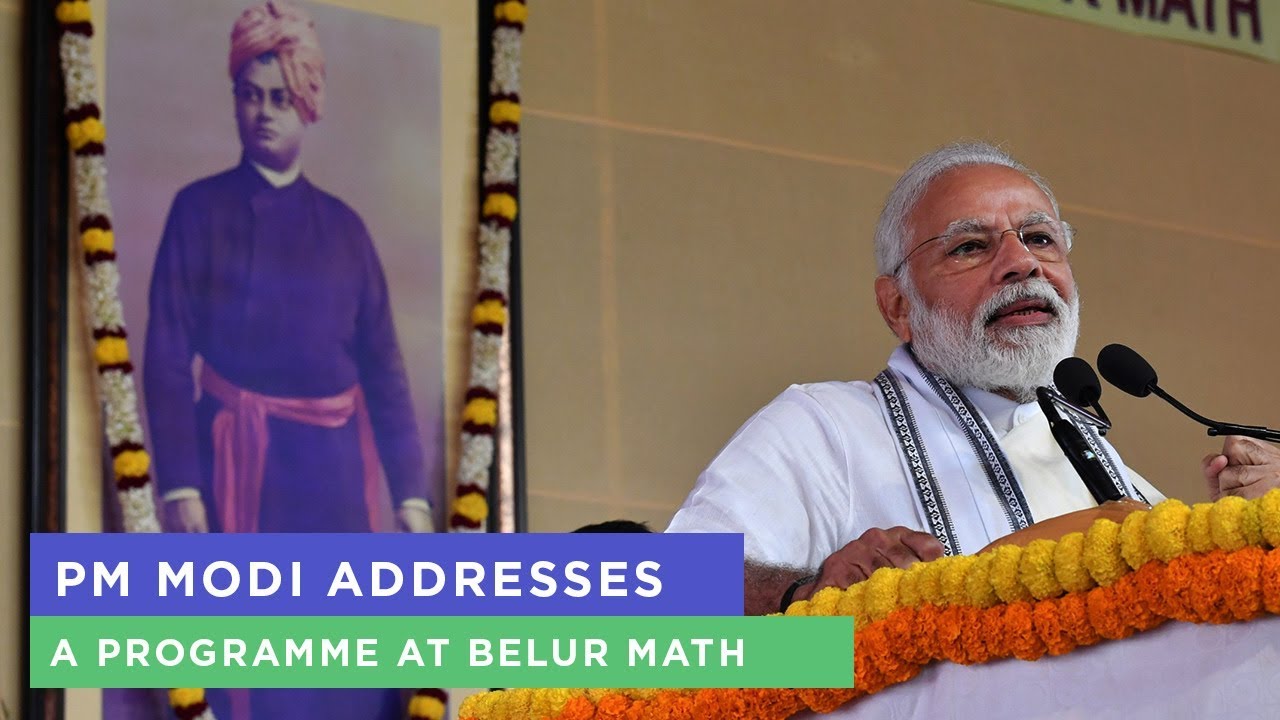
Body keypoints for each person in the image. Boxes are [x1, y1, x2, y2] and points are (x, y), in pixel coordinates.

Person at [666, 142, 1167, 616]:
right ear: (898, 306)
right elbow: (644, 599)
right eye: (971, 247)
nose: (1023, 264)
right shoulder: (823, 427)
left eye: (1040, 239)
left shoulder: (1122, 482)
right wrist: (809, 599)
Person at [142, 4, 434, 717]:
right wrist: (180, 486)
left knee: (338, 666)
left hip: (331, 481)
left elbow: (387, 372)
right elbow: (166, 352)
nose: (263, 115)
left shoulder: (344, 229)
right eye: (249, 96)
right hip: (233, 462)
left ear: (306, 105)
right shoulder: (198, 211)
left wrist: (412, 499)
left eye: (278, 99)